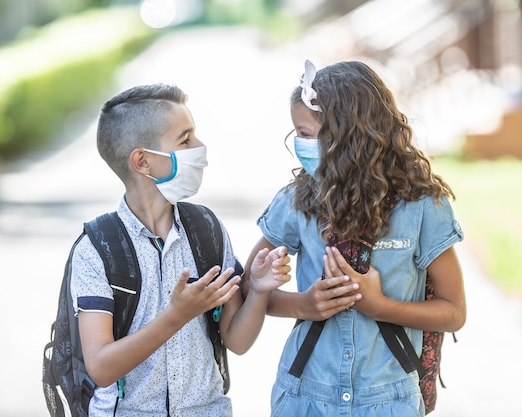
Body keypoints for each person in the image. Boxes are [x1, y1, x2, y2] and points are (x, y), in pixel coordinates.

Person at [244, 60, 466, 417]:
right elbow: (248, 287)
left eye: (306, 133)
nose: (299, 145)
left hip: (389, 400)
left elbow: (454, 312)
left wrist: (380, 307)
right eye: (296, 134)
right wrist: (304, 305)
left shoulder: (422, 206)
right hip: (304, 395)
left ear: (352, 135)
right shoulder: (297, 200)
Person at [71, 83, 291, 417]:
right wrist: (177, 315)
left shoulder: (207, 229)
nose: (200, 147)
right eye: (185, 139)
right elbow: (101, 367)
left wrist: (259, 291)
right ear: (142, 161)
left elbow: (238, 340)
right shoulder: (97, 249)